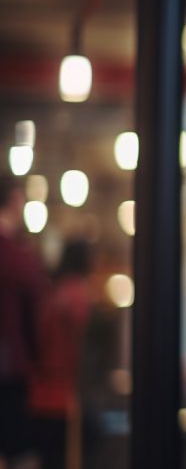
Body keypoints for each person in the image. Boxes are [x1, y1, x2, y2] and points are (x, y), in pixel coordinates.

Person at [30, 240, 97, 469]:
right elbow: (82, 339)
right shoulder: (77, 292)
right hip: (64, 392)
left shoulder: (55, 289)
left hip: (43, 389)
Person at [0, 175, 47, 469]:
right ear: (15, 200)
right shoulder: (17, 256)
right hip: (8, 365)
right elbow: (34, 315)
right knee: (19, 447)